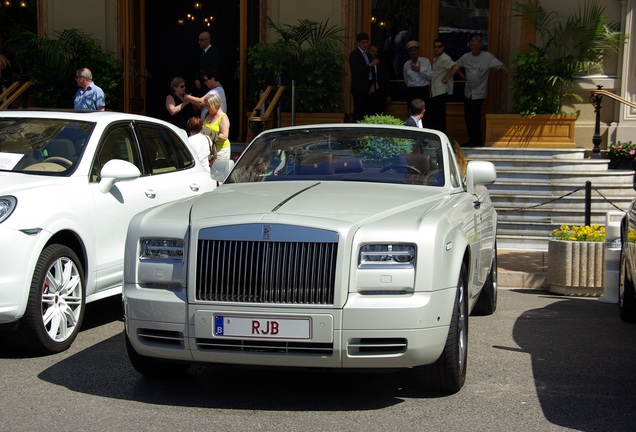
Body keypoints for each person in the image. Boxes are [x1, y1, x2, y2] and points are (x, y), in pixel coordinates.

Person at [456, 35, 507, 146]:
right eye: (473, 45)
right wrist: (462, 76)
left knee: (475, 117)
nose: (475, 47)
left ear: (481, 46)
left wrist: (509, 75)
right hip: (468, 92)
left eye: (477, 45)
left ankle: (477, 140)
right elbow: (455, 66)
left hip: (478, 93)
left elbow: (500, 66)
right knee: (468, 116)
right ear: (470, 46)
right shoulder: (466, 57)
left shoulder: (487, 57)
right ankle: (471, 139)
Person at [430, 39, 459, 134]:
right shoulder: (437, 58)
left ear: (443, 47)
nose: (437, 48)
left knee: (439, 117)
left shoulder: (444, 58)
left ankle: (441, 139)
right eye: (435, 46)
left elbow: (455, 67)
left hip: (440, 90)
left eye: (439, 46)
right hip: (435, 91)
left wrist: (446, 78)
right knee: (436, 117)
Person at [349, 32, 378, 122]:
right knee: (358, 110)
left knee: (368, 110)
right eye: (363, 42)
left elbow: (372, 72)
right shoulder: (354, 54)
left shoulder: (368, 55)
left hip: (368, 86)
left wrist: (373, 85)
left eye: (366, 42)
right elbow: (356, 70)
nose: (365, 45)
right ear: (358, 43)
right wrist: (369, 65)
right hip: (359, 87)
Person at [403, 41, 432, 123]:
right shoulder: (406, 64)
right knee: (412, 114)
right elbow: (406, 79)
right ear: (409, 52)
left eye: (415, 50)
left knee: (425, 114)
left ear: (418, 51)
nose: (413, 52)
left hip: (423, 91)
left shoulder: (425, 61)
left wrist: (419, 70)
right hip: (412, 91)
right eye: (411, 50)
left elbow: (430, 76)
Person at [202, 93, 231, 160]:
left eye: (208, 106)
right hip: (209, 150)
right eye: (206, 106)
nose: (207, 108)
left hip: (220, 150)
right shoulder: (207, 115)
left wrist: (209, 134)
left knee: (219, 170)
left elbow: (225, 136)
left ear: (215, 105)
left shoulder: (223, 117)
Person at [195, 31, 221, 97]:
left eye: (202, 40)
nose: (199, 42)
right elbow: (198, 67)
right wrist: (197, 79)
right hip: (200, 86)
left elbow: (213, 69)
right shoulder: (200, 53)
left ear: (208, 40)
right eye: (199, 40)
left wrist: (205, 80)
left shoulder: (214, 52)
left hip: (209, 85)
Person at [367, 44, 391, 115]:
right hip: (369, 92)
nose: (375, 53)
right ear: (368, 51)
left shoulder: (381, 63)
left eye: (376, 52)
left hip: (380, 92)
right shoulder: (366, 62)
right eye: (372, 51)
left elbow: (386, 79)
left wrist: (388, 94)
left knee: (380, 113)